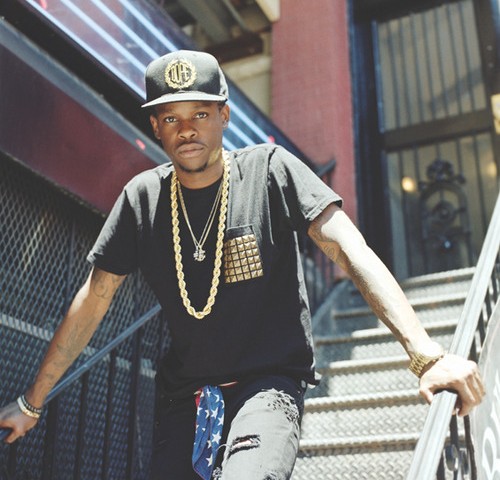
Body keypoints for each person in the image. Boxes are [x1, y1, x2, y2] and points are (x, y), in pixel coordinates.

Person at [0, 50, 485, 479]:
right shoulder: (143, 199)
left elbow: (348, 250)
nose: (187, 129)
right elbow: (94, 298)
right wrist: (31, 402)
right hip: (185, 398)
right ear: (155, 127)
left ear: (225, 115)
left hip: (267, 387)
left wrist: (426, 355)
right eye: (171, 117)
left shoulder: (270, 170)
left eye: (200, 113)